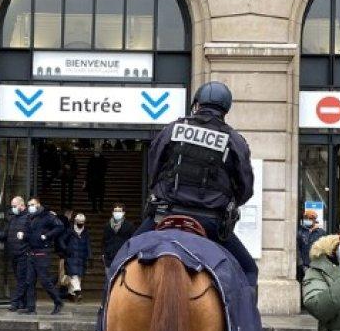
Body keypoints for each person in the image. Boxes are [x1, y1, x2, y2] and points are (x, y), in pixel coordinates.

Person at [140, 81, 258, 286]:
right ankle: (242, 319)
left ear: (197, 104)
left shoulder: (173, 129)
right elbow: (245, 189)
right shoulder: (234, 140)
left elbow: (154, 166)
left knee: (120, 260)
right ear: (225, 110)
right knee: (249, 269)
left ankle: (106, 316)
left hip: (164, 216)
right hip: (210, 222)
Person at [0, 195, 31, 312]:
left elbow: (33, 236)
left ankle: (15, 303)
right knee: (19, 279)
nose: (13, 208)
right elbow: (6, 233)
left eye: (14, 206)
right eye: (12, 206)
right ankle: (23, 303)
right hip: (14, 254)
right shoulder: (13, 218)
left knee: (22, 279)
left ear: (22, 205)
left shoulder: (29, 218)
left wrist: (25, 237)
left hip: (24, 254)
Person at [23, 196, 64, 315]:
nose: (30, 207)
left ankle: (58, 301)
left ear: (38, 205)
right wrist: (23, 235)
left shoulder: (47, 216)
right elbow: (29, 234)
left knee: (45, 281)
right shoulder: (29, 217)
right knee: (29, 281)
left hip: (42, 253)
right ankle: (31, 308)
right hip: (31, 253)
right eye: (29, 205)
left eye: (32, 204)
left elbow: (60, 226)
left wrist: (47, 236)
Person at [61, 212, 91, 301]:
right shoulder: (69, 230)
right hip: (71, 256)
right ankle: (78, 291)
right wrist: (66, 249)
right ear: (75, 221)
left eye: (82, 221)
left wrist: (90, 256)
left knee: (78, 276)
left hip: (82, 257)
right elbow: (62, 240)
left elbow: (88, 244)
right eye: (79, 221)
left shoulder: (86, 232)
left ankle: (71, 293)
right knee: (74, 274)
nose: (80, 223)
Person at [102, 203, 135, 270]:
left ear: (123, 213)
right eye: (115, 211)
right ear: (112, 212)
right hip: (109, 258)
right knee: (109, 279)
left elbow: (132, 241)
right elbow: (104, 241)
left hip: (123, 258)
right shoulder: (107, 226)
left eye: (119, 211)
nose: (117, 213)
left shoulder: (129, 226)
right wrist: (104, 254)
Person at [296, 209, 324, 283]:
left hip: (317, 266)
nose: (308, 220)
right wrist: (301, 264)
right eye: (306, 218)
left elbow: (324, 249)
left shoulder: (321, 232)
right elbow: (297, 249)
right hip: (303, 267)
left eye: (310, 218)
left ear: (315, 220)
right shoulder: (300, 232)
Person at [58, 146, 79, 212]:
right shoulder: (61, 157)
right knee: (64, 191)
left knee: (69, 191)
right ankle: (63, 204)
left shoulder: (71, 157)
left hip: (69, 176)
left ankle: (68, 204)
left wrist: (70, 168)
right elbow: (59, 165)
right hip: (64, 176)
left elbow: (75, 167)